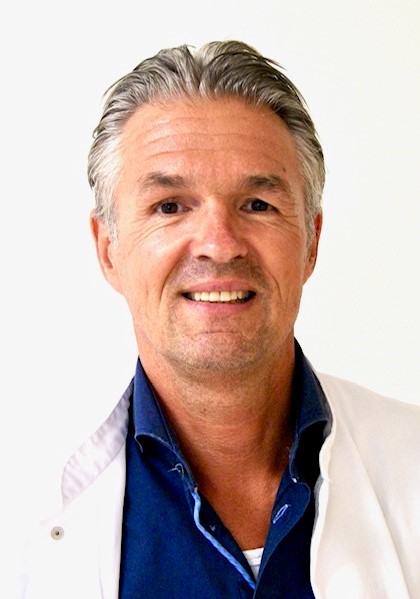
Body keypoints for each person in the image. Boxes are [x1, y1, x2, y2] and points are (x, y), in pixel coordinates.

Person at [20, 41, 420, 599]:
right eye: (170, 206)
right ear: (108, 249)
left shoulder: (410, 461)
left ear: (311, 242)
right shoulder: (17, 511)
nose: (219, 244)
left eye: (258, 205)